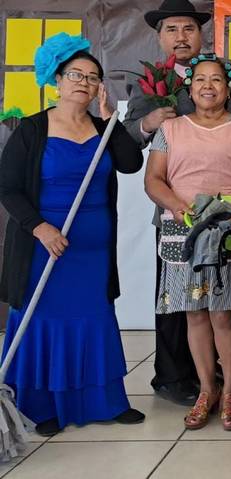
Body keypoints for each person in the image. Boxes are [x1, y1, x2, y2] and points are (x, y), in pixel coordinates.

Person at [0, 33, 145, 436]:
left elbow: (131, 163)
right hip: (44, 245)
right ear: (58, 80)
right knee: (44, 318)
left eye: (93, 77)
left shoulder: (103, 128)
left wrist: (111, 119)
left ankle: (105, 402)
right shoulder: (32, 130)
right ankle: (40, 405)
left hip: (93, 250)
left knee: (94, 317)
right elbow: (7, 187)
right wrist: (41, 228)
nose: (84, 82)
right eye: (76, 75)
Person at [123, 0, 231, 407]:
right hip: (176, 213)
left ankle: (218, 375)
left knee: (220, 301)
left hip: (225, 213)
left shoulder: (229, 72)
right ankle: (173, 377)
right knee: (176, 302)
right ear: (160, 36)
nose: (181, 37)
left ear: (201, 34)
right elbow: (129, 140)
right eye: (172, 29)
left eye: (188, 29)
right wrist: (148, 123)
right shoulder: (150, 81)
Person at [144, 54, 231, 431]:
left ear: (229, 89)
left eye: (216, 80)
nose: (207, 86)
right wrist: (178, 207)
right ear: (189, 88)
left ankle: (230, 391)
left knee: (223, 313)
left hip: (224, 229)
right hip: (181, 228)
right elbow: (153, 179)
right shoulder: (170, 129)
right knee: (193, 313)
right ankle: (206, 389)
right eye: (200, 80)